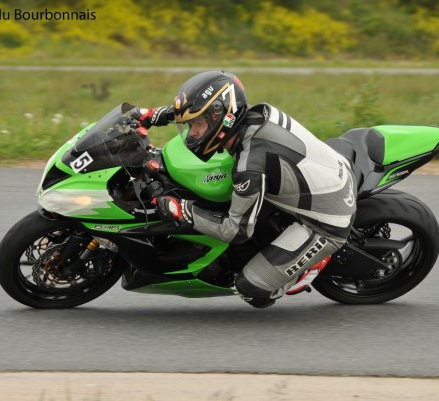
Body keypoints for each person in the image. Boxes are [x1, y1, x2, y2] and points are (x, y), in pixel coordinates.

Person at [139, 71, 356, 308]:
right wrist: (156, 115)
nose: (192, 134)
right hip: (331, 173)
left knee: (251, 290)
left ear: (220, 118)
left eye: (197, 125)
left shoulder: (250, 165)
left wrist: (183, 211)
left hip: (328, 221)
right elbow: (206, 110)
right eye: (190, 125)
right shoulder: (251, 116)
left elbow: (236, 231)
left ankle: (309, 267)